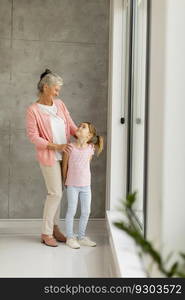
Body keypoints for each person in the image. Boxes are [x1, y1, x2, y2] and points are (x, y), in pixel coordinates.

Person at [26, 69, 77, 247]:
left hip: (65, 155)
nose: (58, 92)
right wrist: (55, 146)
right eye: (56, 89)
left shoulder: (60, 104)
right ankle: (46, 233)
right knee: (55, 192)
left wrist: (83, 135)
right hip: (49, 156)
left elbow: (70, 125)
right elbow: (33, 136)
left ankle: (55, 228)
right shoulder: (33, 110)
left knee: (59, 193)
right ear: (46, 87)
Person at [62, 122, 103, 249]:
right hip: (72, 185)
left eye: (83, 127)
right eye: (79, 126)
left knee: (86, 211)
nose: (79, 127)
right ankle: (70, 237)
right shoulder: (70, 147)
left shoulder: (91, 149)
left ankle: (81, 236)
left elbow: (86, 166)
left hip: (86, 185)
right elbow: (64, 166)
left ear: (89, 135)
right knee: (72, 210)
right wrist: (65, 181)